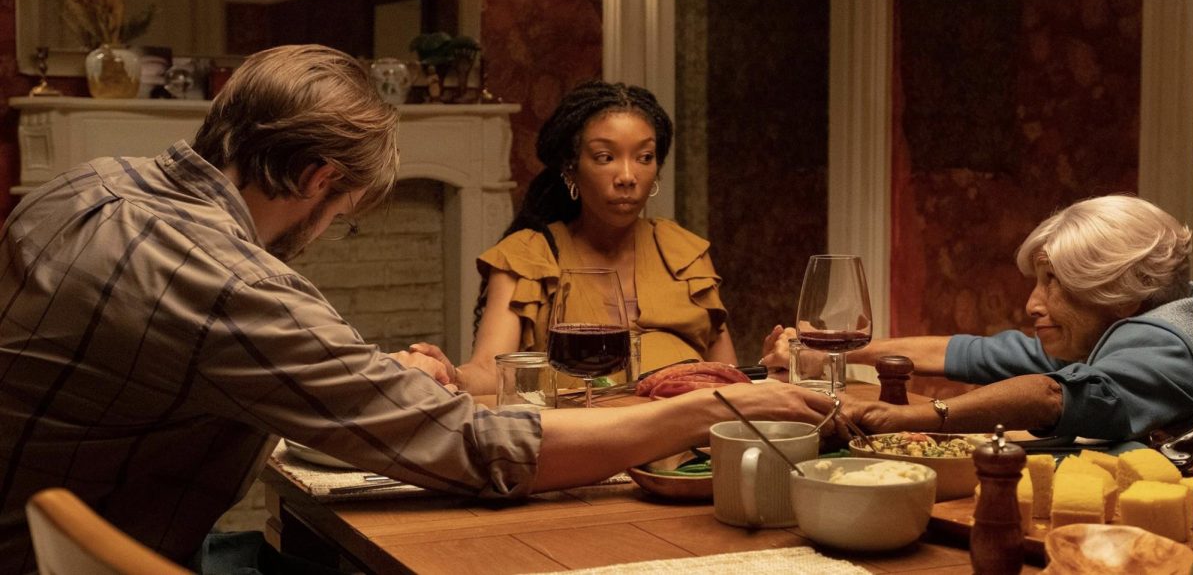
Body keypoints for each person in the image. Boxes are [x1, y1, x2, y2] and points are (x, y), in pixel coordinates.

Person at [0, 45, 836, 573]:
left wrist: (370, 378)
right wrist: (718, 406)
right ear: (322, 180)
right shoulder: (230, 283)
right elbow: (480, 446)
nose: (332, 230)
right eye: (346, 211)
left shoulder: (88, 183)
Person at [765, 194, 1193, 443]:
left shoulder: (1167, 341)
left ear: (1121, 295)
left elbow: (1054, 396)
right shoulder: (1111, 329)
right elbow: (976, 353)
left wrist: (914, 416)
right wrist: (830, 350)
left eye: (1054, 283)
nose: (1033, 304)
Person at [411, 81, 743, 395]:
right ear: (571, 168)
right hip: (589, 442)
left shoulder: (682, 252)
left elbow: (729, 374)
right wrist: (453, 375)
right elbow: (490, 369)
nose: (628, 176)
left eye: (644, 158)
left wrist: (773, 370)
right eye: (605, 157)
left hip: (693, 441)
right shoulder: (530, 256)